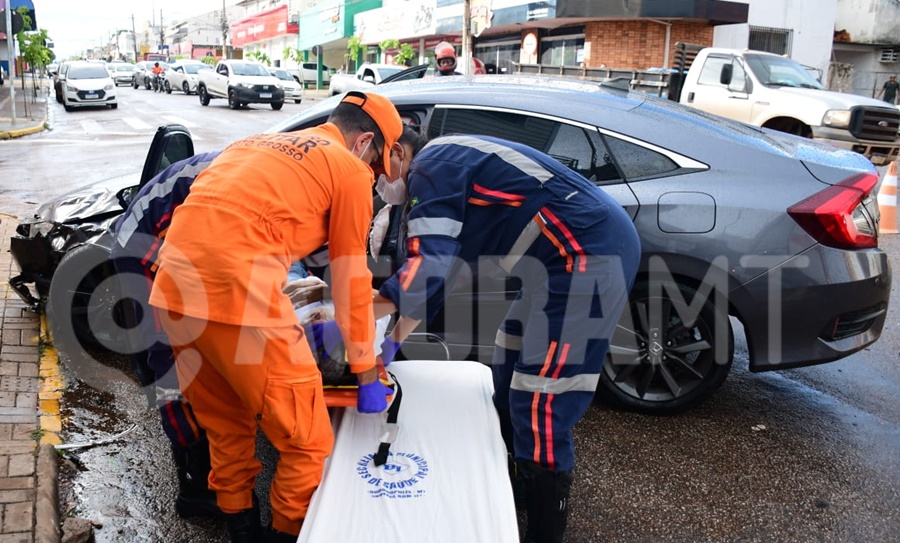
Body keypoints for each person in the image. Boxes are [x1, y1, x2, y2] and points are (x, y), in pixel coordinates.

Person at [148, 90, 403, 543]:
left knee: (227, 426)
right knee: (308, 442)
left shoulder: (253, 143)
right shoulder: (348, 169)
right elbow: (349, 277)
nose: (375, 177)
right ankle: (285, 534)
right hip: (240, 300)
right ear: (364, 143)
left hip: (172, 293)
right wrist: (365, 373)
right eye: (377, 166)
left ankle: (242, 531)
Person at [371, 135, 641, 543]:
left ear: (398, 152)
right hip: (557, 262)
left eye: (379, 170)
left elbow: (429, 267)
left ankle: (544, 531)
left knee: (541, 397)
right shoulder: (441, 171)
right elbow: (436, 280)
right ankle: (517, 488)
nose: (379, 183)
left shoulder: (431, 165)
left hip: (586, 253)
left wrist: (352, 316)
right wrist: (388, 347)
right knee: (509, 357)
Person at [110, 151, 222, 519]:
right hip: (143, 250)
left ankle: (201, 465)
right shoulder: (246, 182)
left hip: (173, 241)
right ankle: (193, 486)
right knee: (168, 365)